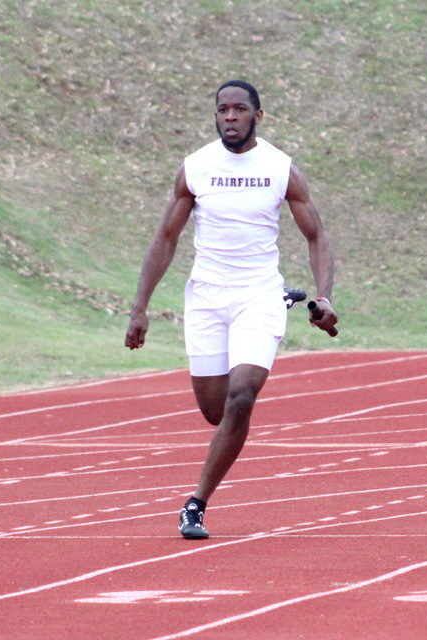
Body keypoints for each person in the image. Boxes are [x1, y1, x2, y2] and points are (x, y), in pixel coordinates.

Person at [125, 79, 338, 537]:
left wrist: (324, 296)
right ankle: (219, 448)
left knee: (241, 397)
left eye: (240, 109)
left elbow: (316, 236)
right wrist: (139, 307)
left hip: (259, 294)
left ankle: (196, 503)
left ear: (257, 117)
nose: (230, 117)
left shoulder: (281, 169)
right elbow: (165, 239)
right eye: (222, 110)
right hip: (206, 298)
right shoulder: (196, 167)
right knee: (215, 410)